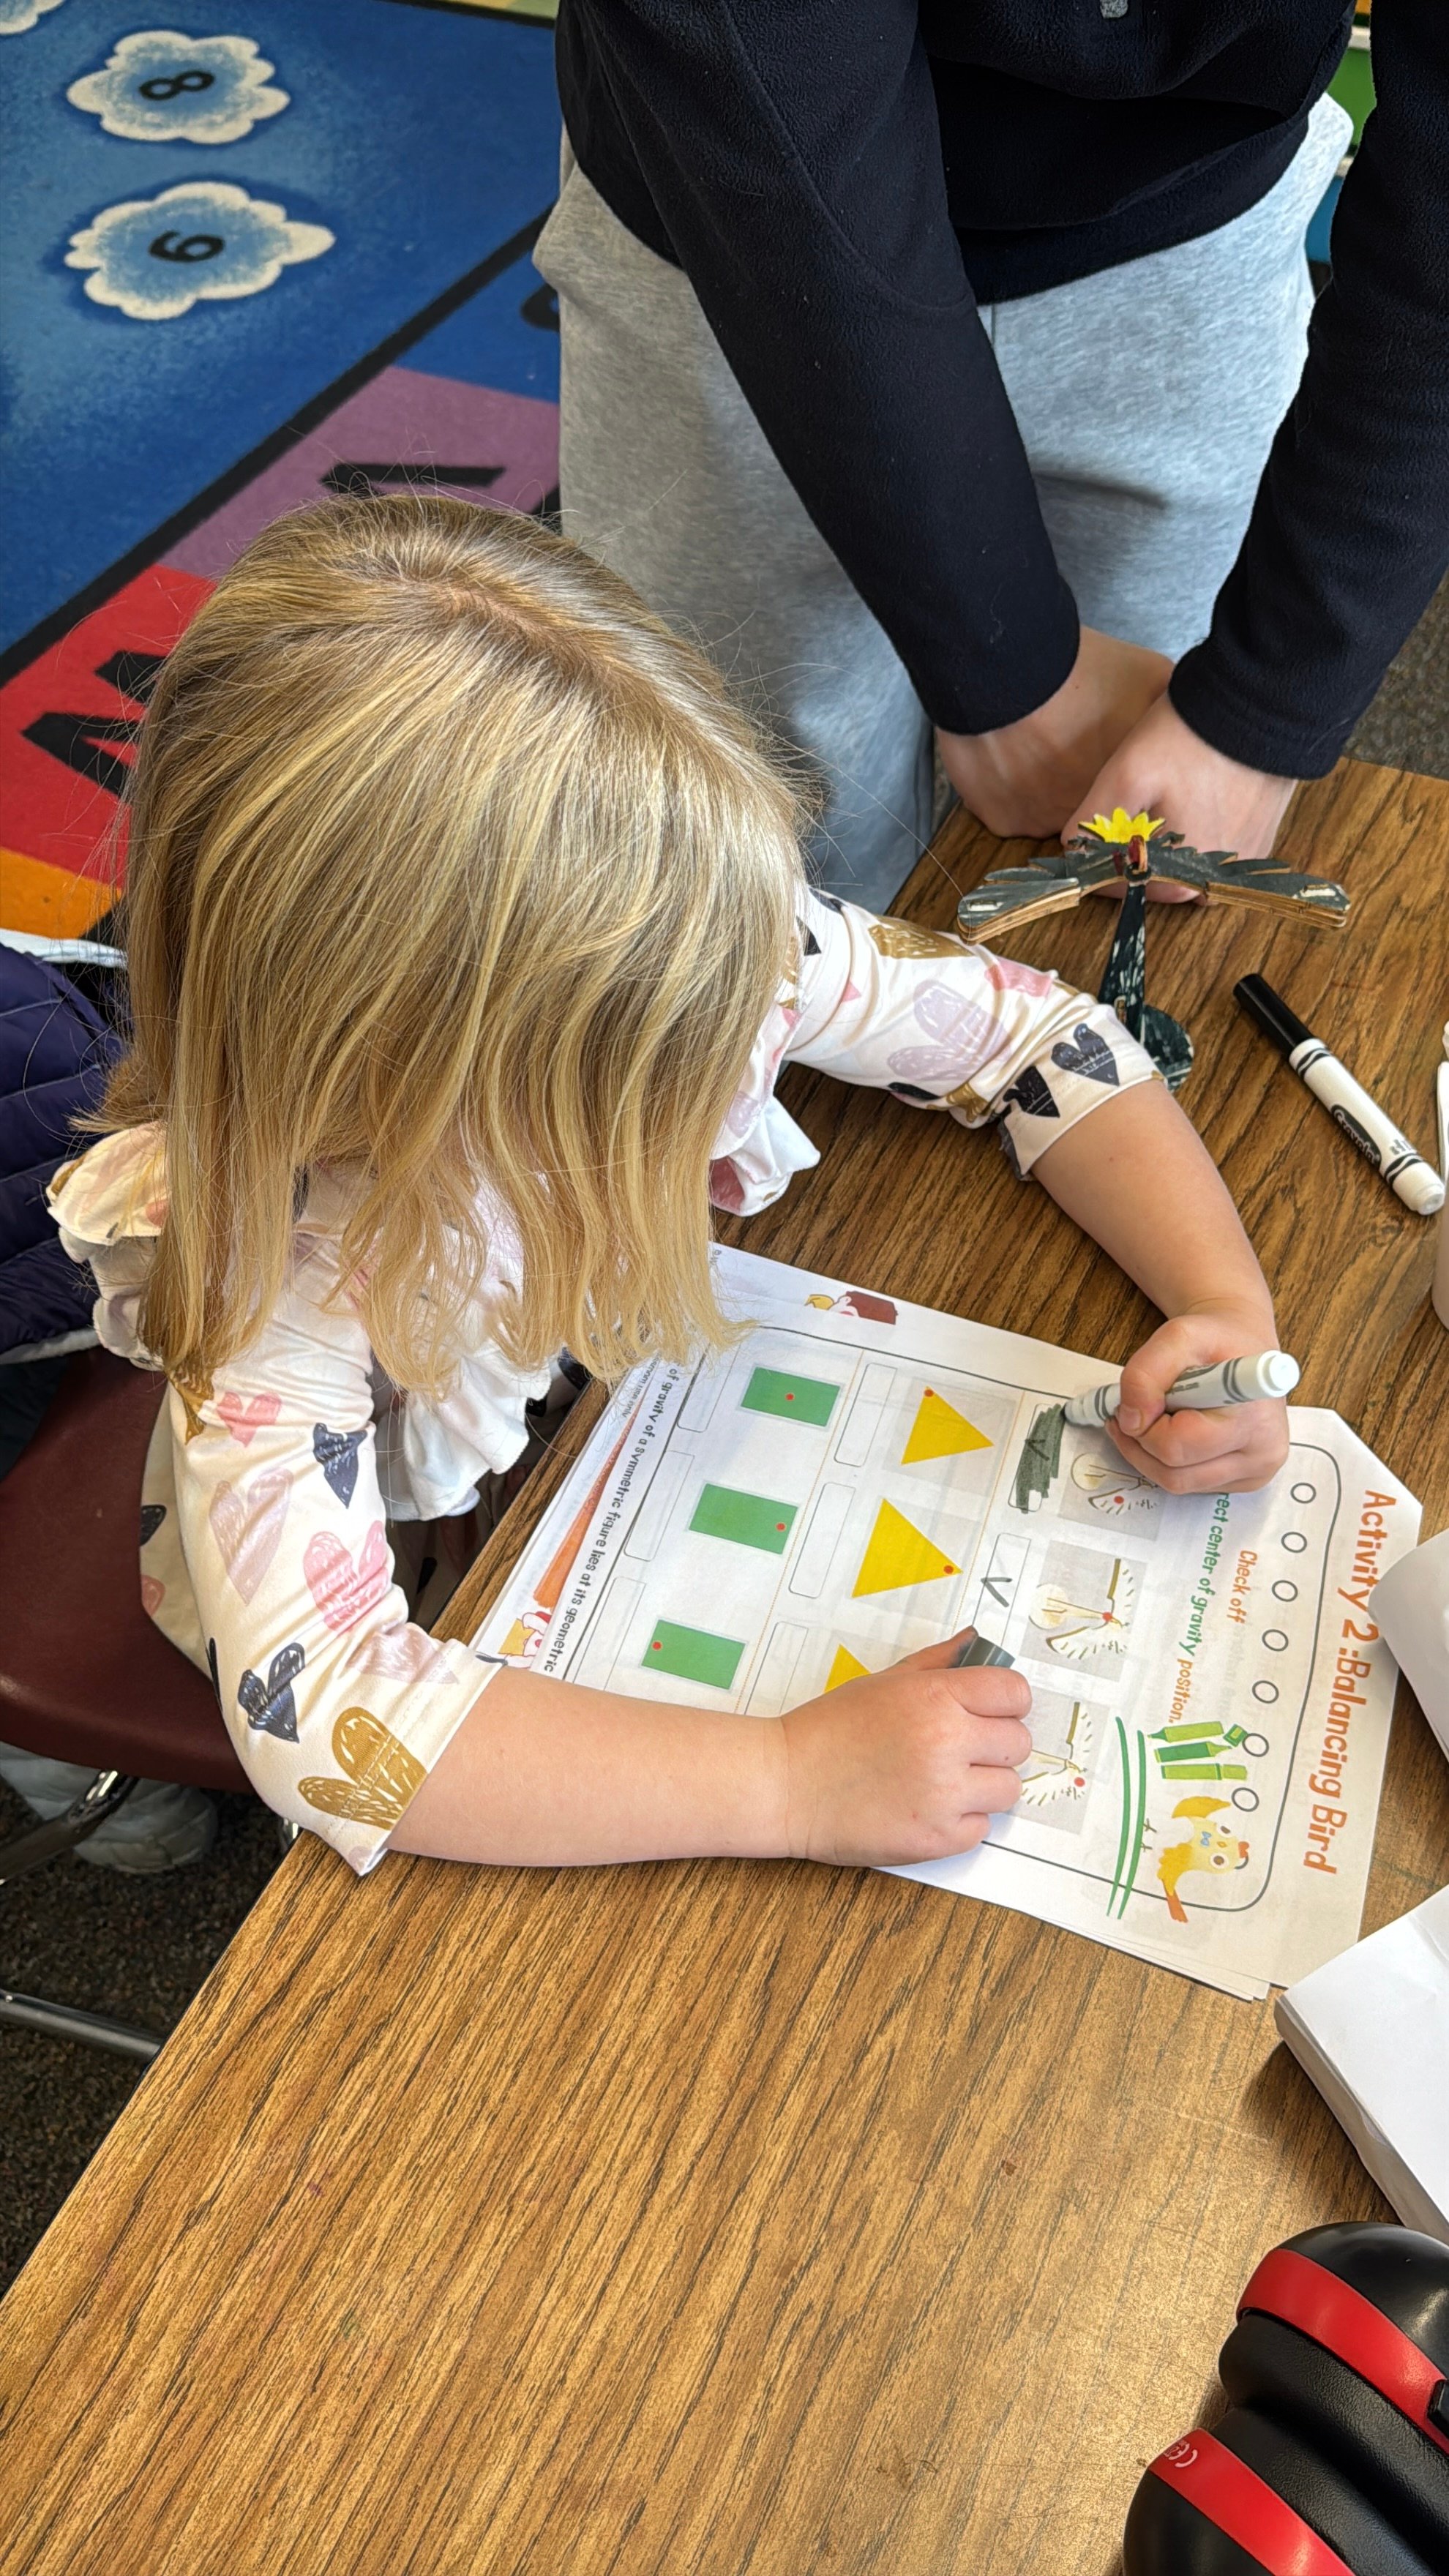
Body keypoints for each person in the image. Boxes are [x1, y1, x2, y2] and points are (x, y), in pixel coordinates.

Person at [50, 498, 1288, 1881]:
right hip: (397, 1558)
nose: (752, 1019)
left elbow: (1036, 1037)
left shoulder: (701, 931)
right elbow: (332, 1713)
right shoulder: (280, 1274)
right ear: (397, 1068)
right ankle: (63, 1779)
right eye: (645, 1080)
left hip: (587, 1429)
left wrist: (1220, 1300)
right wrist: (790, 1781)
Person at [539, 0, 1449, 908]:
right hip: (731, 223)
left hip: (1194, 214)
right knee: (731, 880)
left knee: (1139, 865)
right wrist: (1005, 664)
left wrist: (1263, 708)